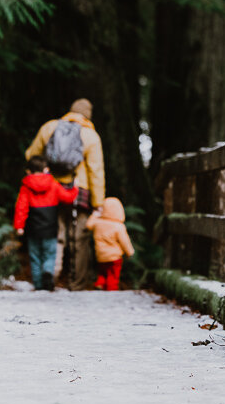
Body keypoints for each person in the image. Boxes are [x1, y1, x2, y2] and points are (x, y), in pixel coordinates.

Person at [24, 99, 105, 290]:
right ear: (88, 116)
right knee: (79, 237)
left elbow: (31, 155)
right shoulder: (91, 135)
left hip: (50, 188)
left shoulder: (50, 127)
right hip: (80, 188)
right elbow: (96, 170)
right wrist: (98, 202)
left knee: (55, 234)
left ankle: (50, 276)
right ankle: (76, 283)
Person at [13, 155, 78, 290]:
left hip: (33, 228)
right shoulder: (53, 184)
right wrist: (75, 188)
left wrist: (19, 226)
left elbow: (21, 208)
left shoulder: (26, 187)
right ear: (46, 169)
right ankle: (48, 272)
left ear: (28, 171)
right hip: (50, 226)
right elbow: (67, 198)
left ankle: (38, 284)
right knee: (49, 254)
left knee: (35, 256)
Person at [86, 196, 135, 291]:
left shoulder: (98, 222)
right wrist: (130, 252)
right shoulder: (119, 226)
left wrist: (95, 214)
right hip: (114, 258)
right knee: (113, 275)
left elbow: (88, 225)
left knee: (102, 272)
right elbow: (125, 242)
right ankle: (111, 290)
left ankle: (100, 283)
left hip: (101, 256)